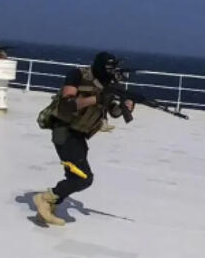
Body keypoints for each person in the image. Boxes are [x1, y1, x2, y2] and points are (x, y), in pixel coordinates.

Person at [33, 51, 133, 226]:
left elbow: (114, 112)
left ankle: (48, 208)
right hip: (64, 130)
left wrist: (128, 106)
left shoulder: (107, 85)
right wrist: (96, 98)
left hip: (79, 135)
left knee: (74, 176)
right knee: (84, 178)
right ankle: (44, 199)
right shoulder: (77, 75)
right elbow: (67, 104)